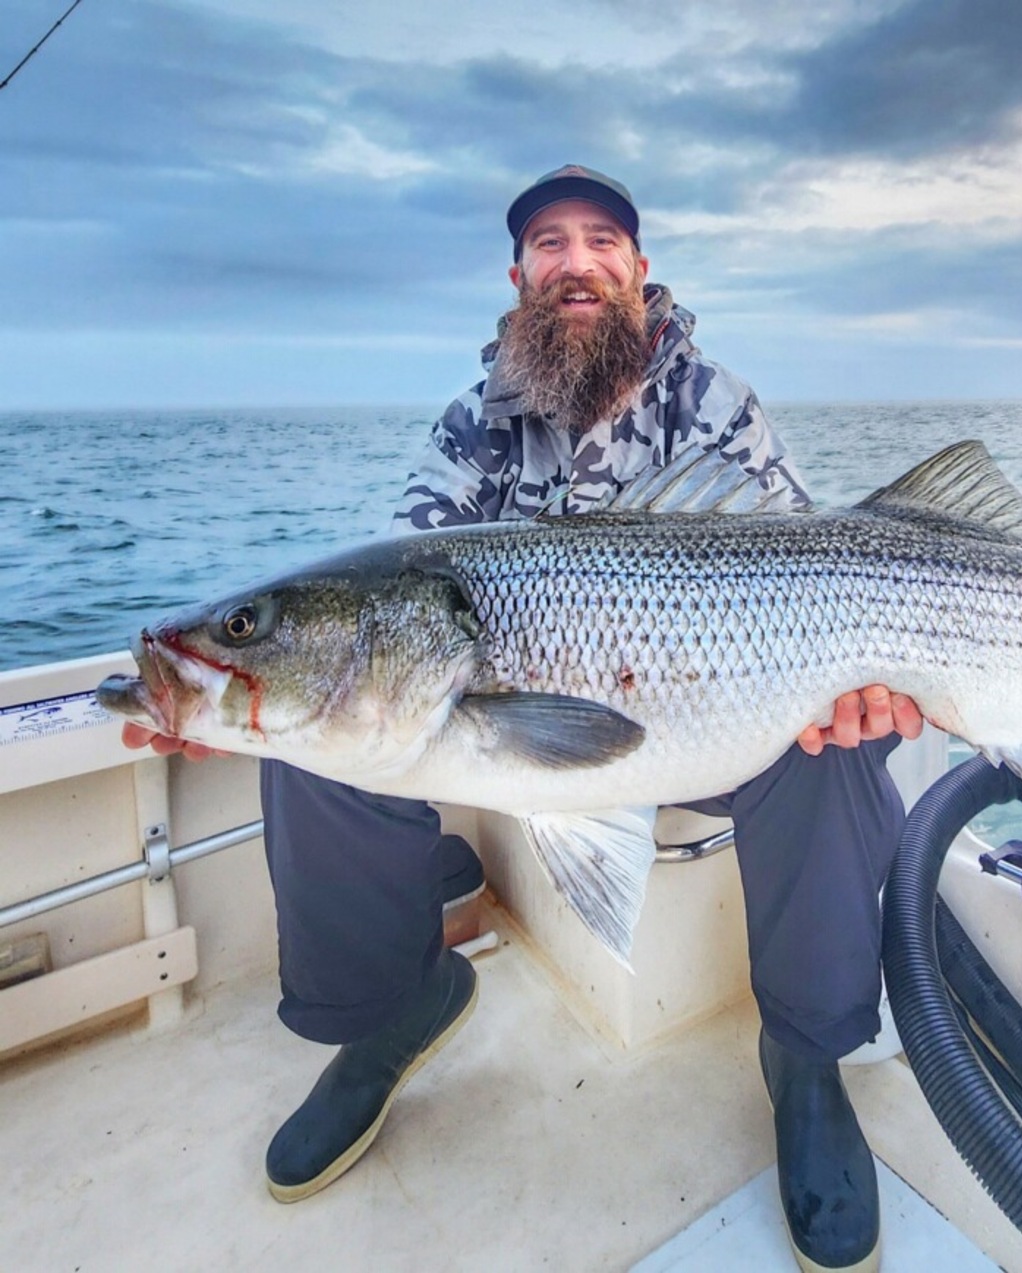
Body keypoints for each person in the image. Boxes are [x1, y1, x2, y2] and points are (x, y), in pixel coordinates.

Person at [122, 164, 922, 1273]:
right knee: (310, 739)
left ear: (639, 271)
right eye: (550, 243)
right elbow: (388, 594)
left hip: (713, 717)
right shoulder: (474, 424)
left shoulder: (717, 404)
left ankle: (807, 1056)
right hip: (505, 721)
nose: (577, 260)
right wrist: (226, 694)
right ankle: (395, 1008)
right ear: (518, 277)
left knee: (836, 746)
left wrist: (849, 688)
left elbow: (796, 569)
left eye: (602, 239)